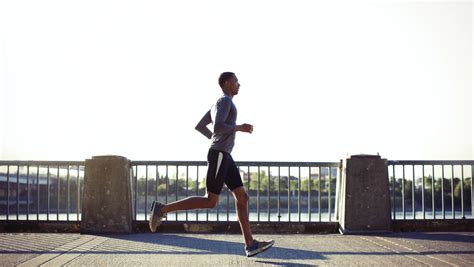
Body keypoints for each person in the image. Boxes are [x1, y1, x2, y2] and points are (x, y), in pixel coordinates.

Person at [149, 72, 274, 257]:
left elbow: (201, 126)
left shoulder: (218, 103)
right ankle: (162, 209)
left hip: (225, 155)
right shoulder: (225, 102)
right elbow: (217, 127)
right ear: (226, 83)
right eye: (236, 81)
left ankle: (250, 244)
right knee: (210, 201)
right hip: (220, 155)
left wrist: (216, 141)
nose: (239, 84)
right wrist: (239, 128)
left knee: (242, 197)